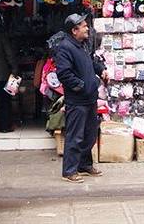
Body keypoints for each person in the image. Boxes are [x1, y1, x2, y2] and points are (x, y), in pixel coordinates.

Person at [55, 13, 108, 183]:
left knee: (89, 134)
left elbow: (90, 63)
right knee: (75, 136)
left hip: (90, 98)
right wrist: (81, 86)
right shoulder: (65, 48)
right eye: (84, 26)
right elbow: (64, 73)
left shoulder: (82, 45)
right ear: (74, 30)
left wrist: (100, 70)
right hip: (77, 100)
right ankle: (69, 171)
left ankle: (84, 165)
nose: (87, 29)